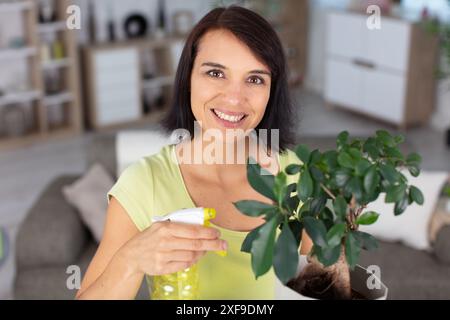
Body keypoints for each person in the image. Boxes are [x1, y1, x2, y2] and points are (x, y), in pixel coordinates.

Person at [76, 5, 312, 300]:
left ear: (271, 92)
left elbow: (325, 282)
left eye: (254, 79)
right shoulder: (145, 182)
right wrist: (130, 260)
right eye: (215, 73)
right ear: (188, 79)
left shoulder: (293, 174)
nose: (234, 98)